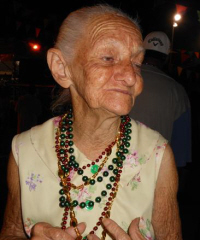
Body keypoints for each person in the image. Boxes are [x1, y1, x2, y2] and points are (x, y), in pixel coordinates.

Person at [0, 5, 182, 240]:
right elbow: (12, 232)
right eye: (108, 58)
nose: (130, 77)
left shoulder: (156, 155)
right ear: (62, 68)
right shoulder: (25, 151)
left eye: (136, 63)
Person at [129, 31, 191, 169]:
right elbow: (180, 152)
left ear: (142, 52)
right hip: (153, 173)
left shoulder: (124, 79)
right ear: (166, 58)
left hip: (113, 169)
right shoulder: (177, 91)